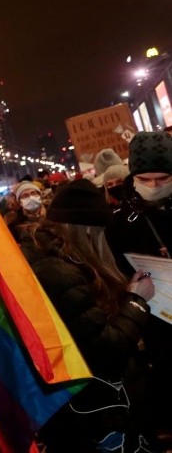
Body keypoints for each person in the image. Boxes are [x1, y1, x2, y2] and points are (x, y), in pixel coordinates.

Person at [18, 180, 156, 451]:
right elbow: (104, 348)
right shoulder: (56, 272)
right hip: (94, 414)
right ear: (87, 232)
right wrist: (136, 301)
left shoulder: (59, 260)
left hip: (93, 408)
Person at [106, 130, 172, 448]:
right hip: (156, 325)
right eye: (146, 178)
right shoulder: (121, 222)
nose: (155, 186)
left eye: (163, 178)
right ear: (134, 176)